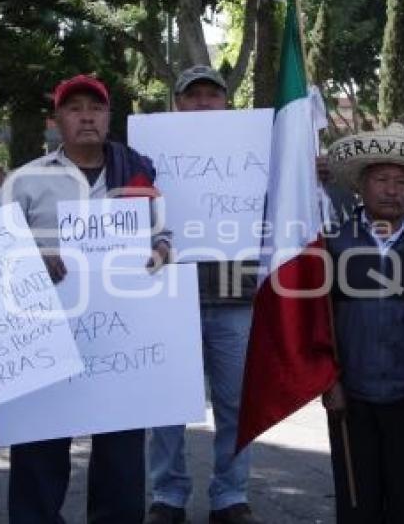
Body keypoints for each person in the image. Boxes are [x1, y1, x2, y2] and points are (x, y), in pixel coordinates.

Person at [0, 74, 170, 524]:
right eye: (75, 108)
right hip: (46, 336)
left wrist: (159, 252)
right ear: (56, 121)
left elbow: (163, 236)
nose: (87, 116)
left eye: (96, 107)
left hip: (120, 341)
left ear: (109, 117)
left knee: (122, 460)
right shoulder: (25, 181)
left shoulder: (137, 173)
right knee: (39, 456)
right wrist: (33, 254)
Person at [322, 123, 404, 523]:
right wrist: (329, 383)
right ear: (361, 185)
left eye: (402, 181)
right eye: (382, 179)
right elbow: (318, 323)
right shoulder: (333, 246)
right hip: (352, 399)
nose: (392, 189)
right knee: (357, 504)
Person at [147, 65, 261, 524]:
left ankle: (230, 495)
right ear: (177, 103)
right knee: (166, 404)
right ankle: (167, 495)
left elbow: (289, 195)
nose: (202, 104)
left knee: (236, 404)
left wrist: (309, 169)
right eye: (192, 96)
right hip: (170, 294)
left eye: (211, 95)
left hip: (236, 295)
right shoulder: (147, 154)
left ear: (226, 102)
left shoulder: (255, 148)